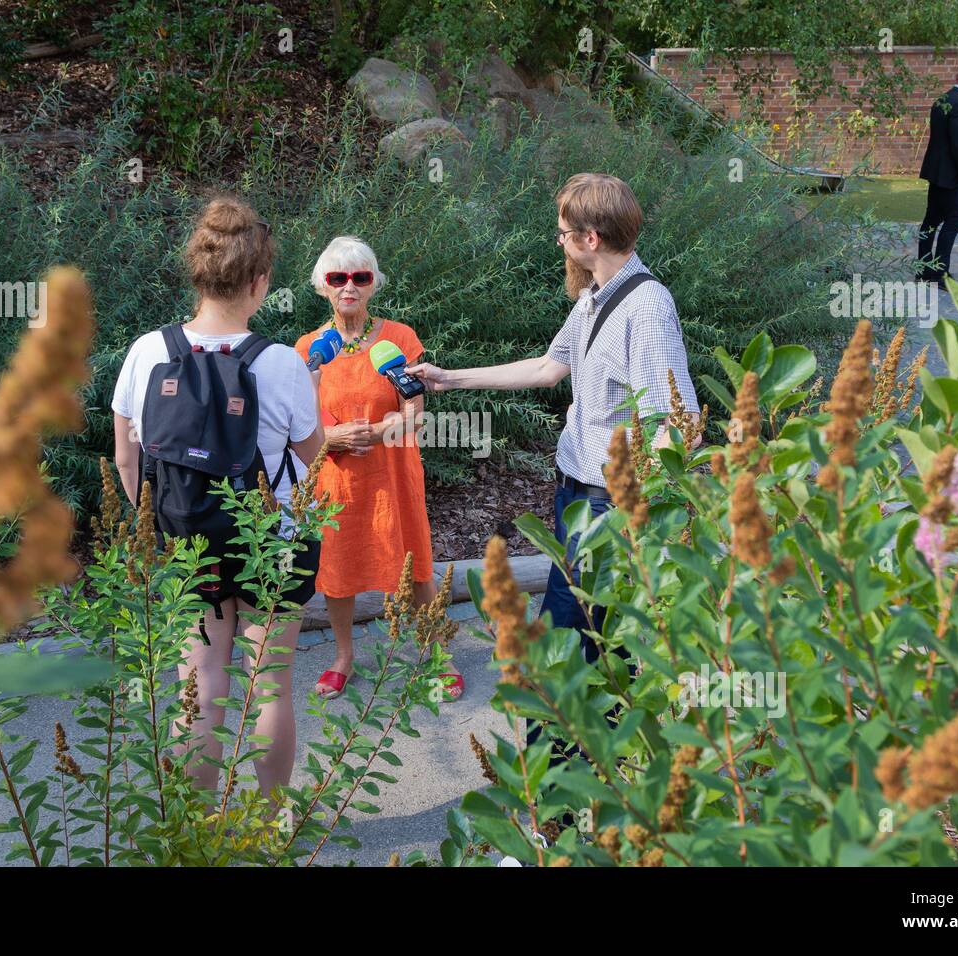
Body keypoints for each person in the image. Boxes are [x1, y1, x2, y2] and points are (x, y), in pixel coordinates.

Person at [407, 172, 699, 657]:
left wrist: (637, 514)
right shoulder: (592, 298)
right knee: (597, 632)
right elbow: (548, 367)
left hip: (608, 503)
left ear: (591, 238)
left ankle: (556, 733)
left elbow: (676, 419)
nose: (559, 243)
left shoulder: (646, 308)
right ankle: (603, 727)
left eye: (563, 233)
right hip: (575, 487)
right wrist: (450, 378)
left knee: (565, 640)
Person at [110, 196, 325, 795]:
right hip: (272, 544)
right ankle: (270, 819)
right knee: (270, 685)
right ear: (258, 283)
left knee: (200, 685)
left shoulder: (147, 352)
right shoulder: (282, 363)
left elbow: (128, 456)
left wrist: (160, 520)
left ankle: (197, 828)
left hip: (186, 539)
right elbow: (314, 454)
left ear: (197, 275)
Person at [294, 236, 462, 701]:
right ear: (322, 287)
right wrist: (334, 438)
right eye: (337, 278)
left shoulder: (399, 339)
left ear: (372, 284)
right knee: (338, 567)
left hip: (392, 474)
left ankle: (436, 654)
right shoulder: (309, 348)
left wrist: (380, 432)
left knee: (416, 564)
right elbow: (302, 423)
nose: (349, 287)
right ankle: (343, 657)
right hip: (337, 477)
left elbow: (416, 414)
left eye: (359, 277)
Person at [918, 60, 958, 286]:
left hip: (936, 174)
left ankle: (923, 270)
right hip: (953, 175)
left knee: (932, 220)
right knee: (955, 219)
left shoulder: (941, 100)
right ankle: (940, 274)